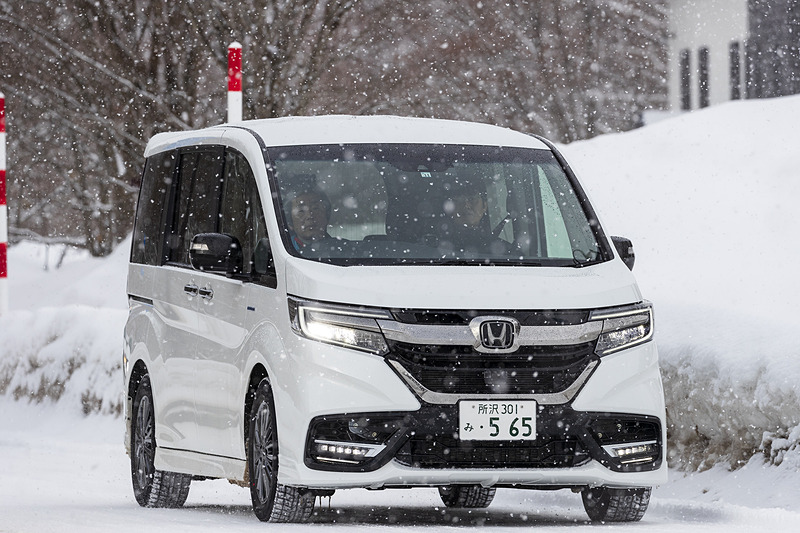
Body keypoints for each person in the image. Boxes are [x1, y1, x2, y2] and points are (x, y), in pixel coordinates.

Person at [441, 180, 511, 256]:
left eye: (472, 199)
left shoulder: (503, 250)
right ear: (450, 208)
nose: (466, 205)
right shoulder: (434, 245)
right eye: (459, 200)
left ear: (484, 206)